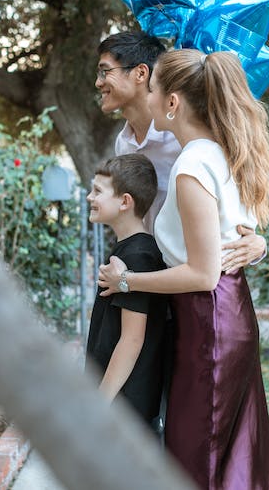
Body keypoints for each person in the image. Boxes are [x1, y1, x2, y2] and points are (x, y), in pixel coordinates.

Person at [98, 49, 269, 489]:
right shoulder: (219, 153)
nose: (149, 95)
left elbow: (203, 274)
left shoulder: (192, 166)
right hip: (224, 314)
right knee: (228, 454)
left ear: (173, 102)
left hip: (209, 320)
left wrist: (126, 281)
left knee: (197, 456)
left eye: (155, 88)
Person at [96, 31, 266, 273]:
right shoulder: (123, 145)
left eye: (105, 71)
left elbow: (235, 201)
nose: (98, 82)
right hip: (151, 273)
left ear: (141, 73)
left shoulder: (188, 142)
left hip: (190, 276)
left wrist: (258, 243)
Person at [84, 154, 169, 432]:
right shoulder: (128, 250)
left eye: (97, 191)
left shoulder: (139, 256)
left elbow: (132, 340)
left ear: (125, 202)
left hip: (125, 410)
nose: (89, 197)